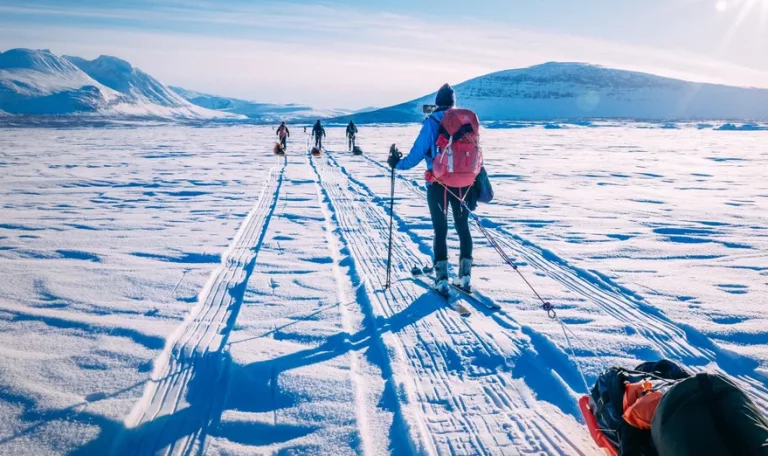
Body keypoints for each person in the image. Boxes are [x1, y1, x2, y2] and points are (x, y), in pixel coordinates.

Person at [387, 83, 476, 295]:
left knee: (440, 228)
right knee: (463, 227)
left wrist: (397, 163)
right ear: (453, 102)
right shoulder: (466, 121)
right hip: (464, 183)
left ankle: (442, 277)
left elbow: (417, 154)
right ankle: (465, 276)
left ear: (437, 102)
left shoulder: (433, 121)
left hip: (439, 184)